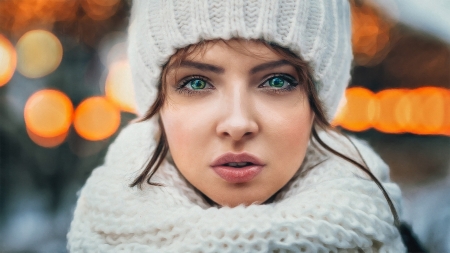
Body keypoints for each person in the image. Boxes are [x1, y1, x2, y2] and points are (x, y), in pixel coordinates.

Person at [67, 0, 407, 251]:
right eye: (197, 83)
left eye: (277, 81)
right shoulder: (102, 236)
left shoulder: (381, 234)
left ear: (319, 102)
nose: (237, 123)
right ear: (157, 103)